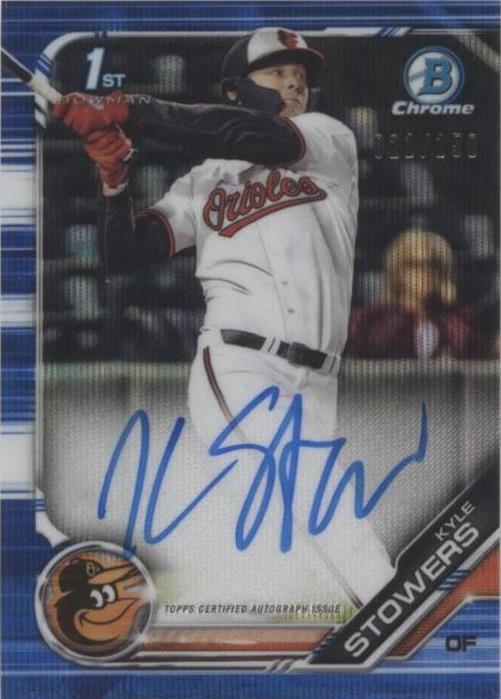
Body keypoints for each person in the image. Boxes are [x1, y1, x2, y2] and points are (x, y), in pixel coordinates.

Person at [52, 28, 394, 617]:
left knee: (291, 527)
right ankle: (398, 618)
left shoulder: (327, 139)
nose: (294, 84)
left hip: (318, 377)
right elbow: (124, 254)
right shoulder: (204, 181)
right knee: (323, 501)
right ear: (236, 89)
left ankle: (297, 629)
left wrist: (128, 108)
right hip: (239, 361)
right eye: (276, 73)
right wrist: (115, 184)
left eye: (300, 76)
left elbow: (241, 132)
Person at [348, 229, 481, 359]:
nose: (425, 272)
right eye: (414, 265)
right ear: (397, 271)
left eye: (432, 264)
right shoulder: (370, 319)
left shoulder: (458, 321)